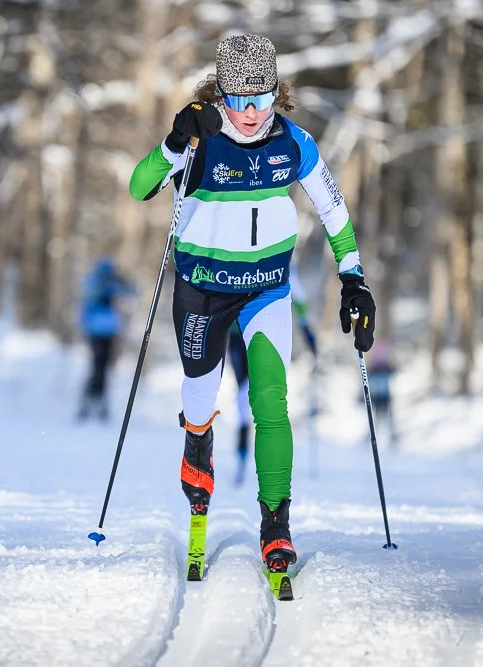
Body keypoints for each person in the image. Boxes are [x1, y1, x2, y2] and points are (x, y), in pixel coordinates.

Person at [127, 34, 375, 575]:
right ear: (220, 93)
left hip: (266, 288)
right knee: (200, 401)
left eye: (260, 98)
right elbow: (139, 187)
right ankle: (198, 446)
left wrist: (353, 278)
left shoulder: (293, 142)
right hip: (203, 289)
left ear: (275, 92)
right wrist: (173, 141)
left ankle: (276, 524)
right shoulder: (200, 138)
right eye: (238, 99)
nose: (249, 112)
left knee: (270, 402)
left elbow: (334, 209)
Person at [230, 260, 317, 485]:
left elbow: (297, 293)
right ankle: (242, 455)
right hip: (235, 333)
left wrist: (307, 329)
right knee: (243, 392)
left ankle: (261, 460)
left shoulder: (283, 254)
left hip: (260, 329)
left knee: (262, 393)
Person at [78, 257, 134, 422]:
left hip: (105, 330)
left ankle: (96, 402)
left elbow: (131, 292)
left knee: (102, 367)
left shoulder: (110, 282)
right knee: (98, 366)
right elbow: (91, 293)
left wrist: (122, 282)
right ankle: (91, 401)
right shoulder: (97, 282)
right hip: (100, 331)